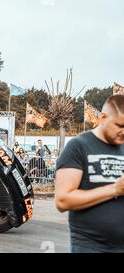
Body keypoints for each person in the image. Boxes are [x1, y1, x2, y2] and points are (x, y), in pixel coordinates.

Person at [55, 94, 124, 253]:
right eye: (120, 125)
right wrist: (114, 189)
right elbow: (63, 200)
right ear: (103, 117)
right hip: (91, 246)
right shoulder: (78, 146)